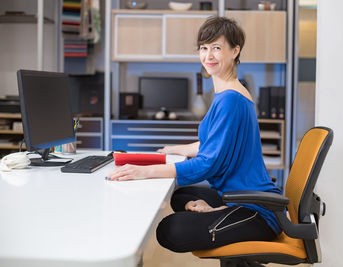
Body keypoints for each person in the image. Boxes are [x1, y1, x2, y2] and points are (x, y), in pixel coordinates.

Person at [107, 16, 282, 252]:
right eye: (204, 48)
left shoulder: (230, 99)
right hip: (231, 194)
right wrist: (173, 150)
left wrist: (145, 172)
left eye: (217, 48)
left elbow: (207, 164)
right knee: (181, 195)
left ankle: (220, 211)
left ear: (235, 51)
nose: (208, 56)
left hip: (256, 209)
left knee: (170, 230)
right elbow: (212, 144)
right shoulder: (226, 93)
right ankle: (216, 210)